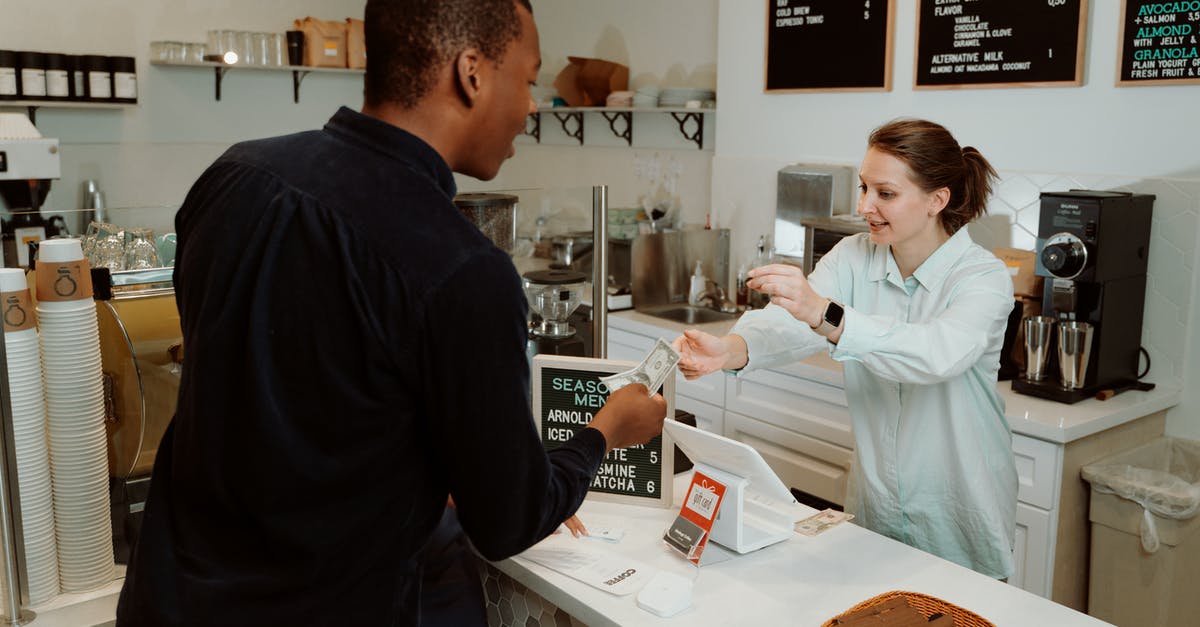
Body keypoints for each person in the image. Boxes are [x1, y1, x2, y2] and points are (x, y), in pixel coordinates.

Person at [115, 1, 668, 624]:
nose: (533, 106)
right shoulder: (460, 267)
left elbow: (300, 396)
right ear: (472, 72)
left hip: (169, 597)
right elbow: (509, 521)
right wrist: (606, 432)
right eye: (531, 78)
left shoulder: (235, 175)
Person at [674, 119, 1018, 580]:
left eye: (885, 193)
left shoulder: (983, 277)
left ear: (938, 200)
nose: (864, 206)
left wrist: (826, 314)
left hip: (958, 516)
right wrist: (729, 349)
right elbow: (790, 321)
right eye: (863, 188)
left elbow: (938, 353)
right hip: (876, 508)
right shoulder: (855, 256)